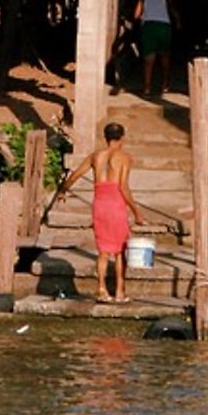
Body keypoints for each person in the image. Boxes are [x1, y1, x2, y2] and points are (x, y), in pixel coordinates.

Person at [57, 122, 142, 303]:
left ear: (106, 137)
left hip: (100, 203)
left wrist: (63, 191)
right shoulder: (124, 157)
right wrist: (136, 211)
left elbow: (75, 175)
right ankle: (119, 292)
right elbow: (124, 187)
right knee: (120, 251)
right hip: (116, 203)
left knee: (103, 251)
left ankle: (101, 289)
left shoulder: (96, 156)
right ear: (122, 138)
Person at [135, 0, 177, 97]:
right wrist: (178, 21)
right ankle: (165, 84)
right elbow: (172, 10)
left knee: (149, 60)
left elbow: (136, 15)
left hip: (149, 27)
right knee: (165, 57)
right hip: (164, 27)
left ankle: (147, 88)